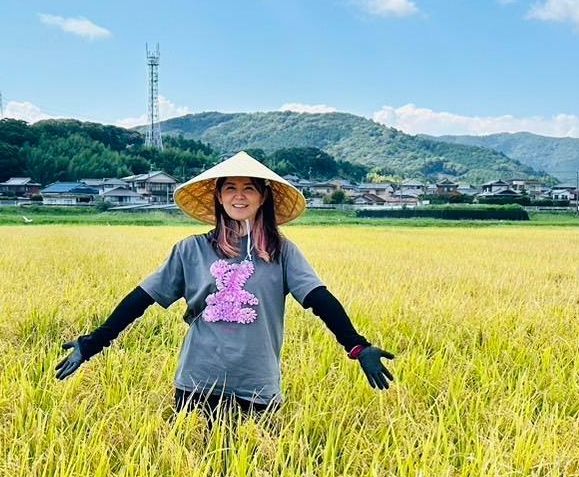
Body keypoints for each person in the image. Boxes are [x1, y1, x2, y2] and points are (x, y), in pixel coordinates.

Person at [54, 150, 395, 421]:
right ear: (218, 196)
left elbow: (319, 299)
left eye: (249, 188)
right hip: (197, 381)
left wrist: (357, 346)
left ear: (263, 197)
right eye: (230, 187)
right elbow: (142, 298)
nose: (239, 196)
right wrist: (96, 341)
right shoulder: (190, 250)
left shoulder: (282, 252)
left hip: (257, 384)